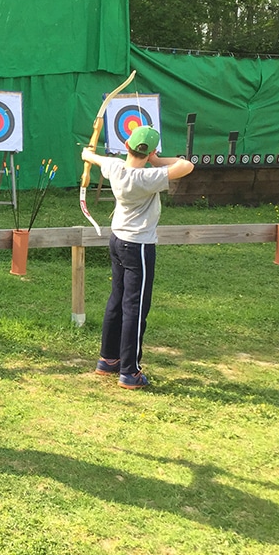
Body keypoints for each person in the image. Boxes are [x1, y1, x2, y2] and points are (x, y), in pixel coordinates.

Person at [81, 125, 194, 389]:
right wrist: (155, 159)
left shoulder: (116, 168)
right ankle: (129, 372)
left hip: (117, 241)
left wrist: (88, 155)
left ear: (127, 145)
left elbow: (95, 158)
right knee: (136, 307)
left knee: (117, 300)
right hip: (139, 247)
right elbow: (186, 166)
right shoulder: (148, 177)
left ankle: (108, 359)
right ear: (151, 151)